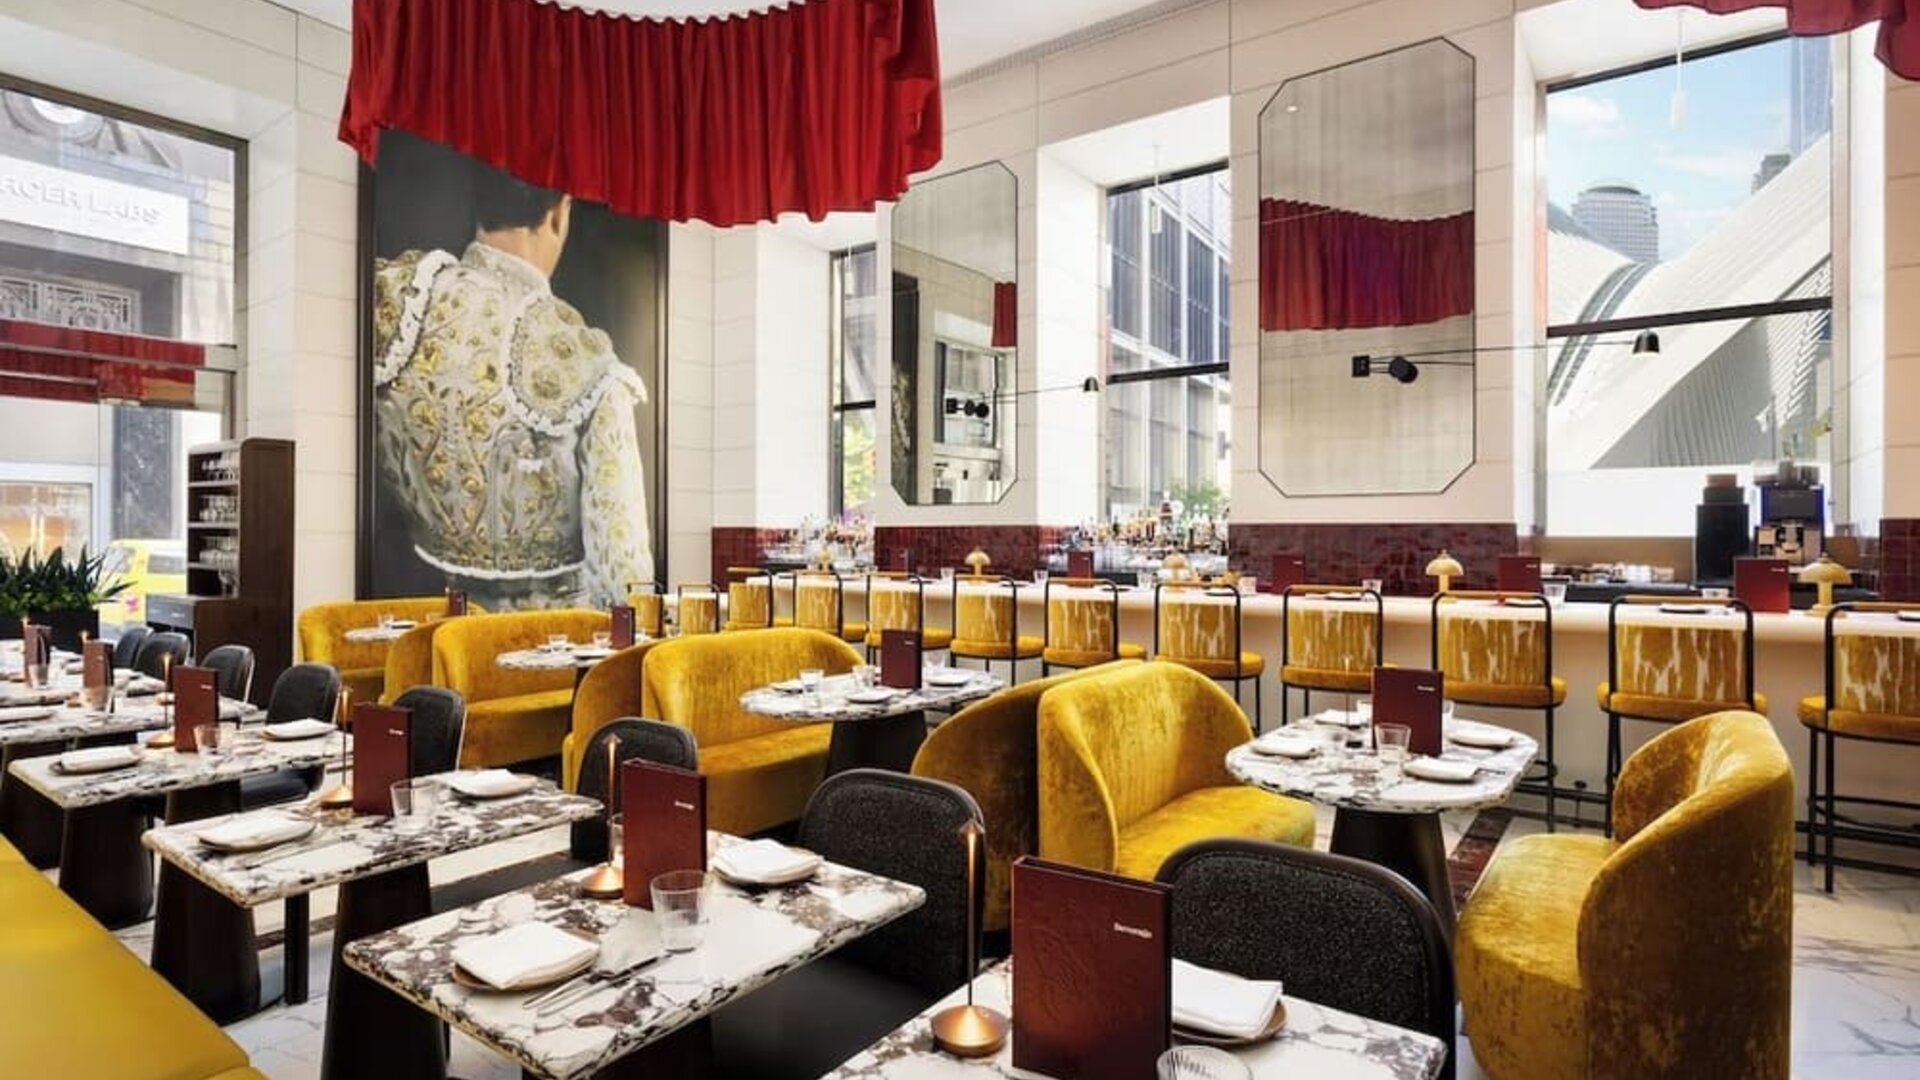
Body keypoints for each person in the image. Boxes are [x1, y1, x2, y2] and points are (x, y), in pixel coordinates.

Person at [371, 164, 652, 610]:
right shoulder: (583, 356)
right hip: (552, 655)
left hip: (431, 642)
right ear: (560, 214)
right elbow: (623, 578)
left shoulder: (393, 296)